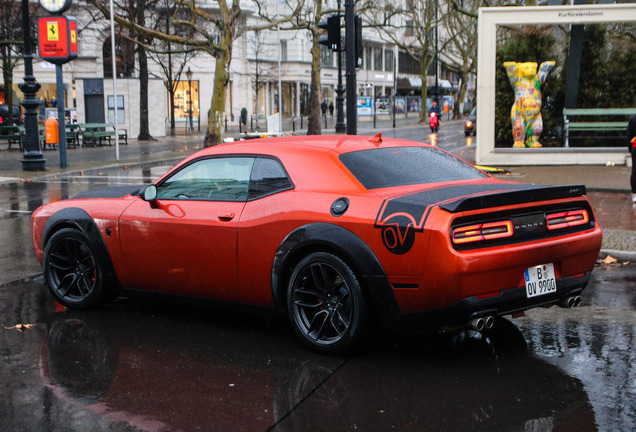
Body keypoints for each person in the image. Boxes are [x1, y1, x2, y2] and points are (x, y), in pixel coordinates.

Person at [628, 113, 636, 203]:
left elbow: (629, 135)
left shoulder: (633, 118)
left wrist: (630, 149)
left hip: (635, 146)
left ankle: (635, 194)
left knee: (635, 170)